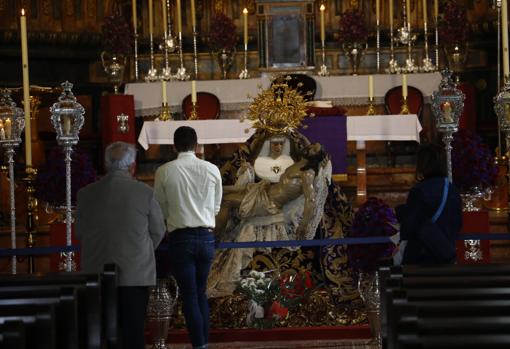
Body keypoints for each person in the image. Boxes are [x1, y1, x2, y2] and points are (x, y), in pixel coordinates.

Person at [208, 142, 331, 296]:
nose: (310, 148)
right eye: (312, 146)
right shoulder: (299, 164)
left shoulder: (308, 173)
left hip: (268, 204)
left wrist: (303, 225)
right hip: (263, 191)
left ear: (316, 156)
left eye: (315, 149)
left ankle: (213, 241)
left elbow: (311, 200)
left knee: (226, 201)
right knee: (223, 193)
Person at [75, 141, 166, 349]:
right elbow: (158, 230)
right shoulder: (144, 192)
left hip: (96, 274)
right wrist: (139, 250)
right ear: (132, 166)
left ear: (106, 165)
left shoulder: (85, 193)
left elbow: (80, 232)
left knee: (101, 332)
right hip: (135, 275)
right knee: (133, 332)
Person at [153, 126, 222, 349]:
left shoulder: (164, 171)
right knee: (200, 293)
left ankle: (199, 345)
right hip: (206, 237)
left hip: (181, 238)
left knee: (190, 295)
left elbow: (160, 207)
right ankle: (203, 344)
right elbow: (216, 207)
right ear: (196, 144)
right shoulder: (211, 169)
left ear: (174, 146)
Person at [395, 143, 462, 264]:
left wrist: (401, 212)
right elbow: (458, 224)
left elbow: (408, 229)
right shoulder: (452, 190)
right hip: (445, 256)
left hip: (421, 259)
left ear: (422, 165)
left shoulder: (420, 190)